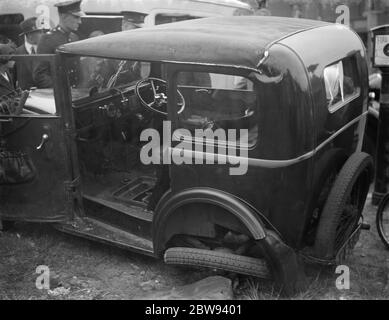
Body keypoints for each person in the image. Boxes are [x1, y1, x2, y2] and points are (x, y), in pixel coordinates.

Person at [34, 0, 84, 88]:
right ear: (63, 17)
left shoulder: (74, 37)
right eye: (76, 17)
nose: (80, 22)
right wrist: (62, 90)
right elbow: (40, 75)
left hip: (76, 95)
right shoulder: (47, 39)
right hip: (60, 97)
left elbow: (77, 70)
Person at [15, 17, 47, 90]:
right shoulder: (17, 53)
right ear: (30, 36)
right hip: (26, 97)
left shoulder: (45, 51)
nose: (43, 34)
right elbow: (13, 77)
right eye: (40, 32)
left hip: (45, 95)